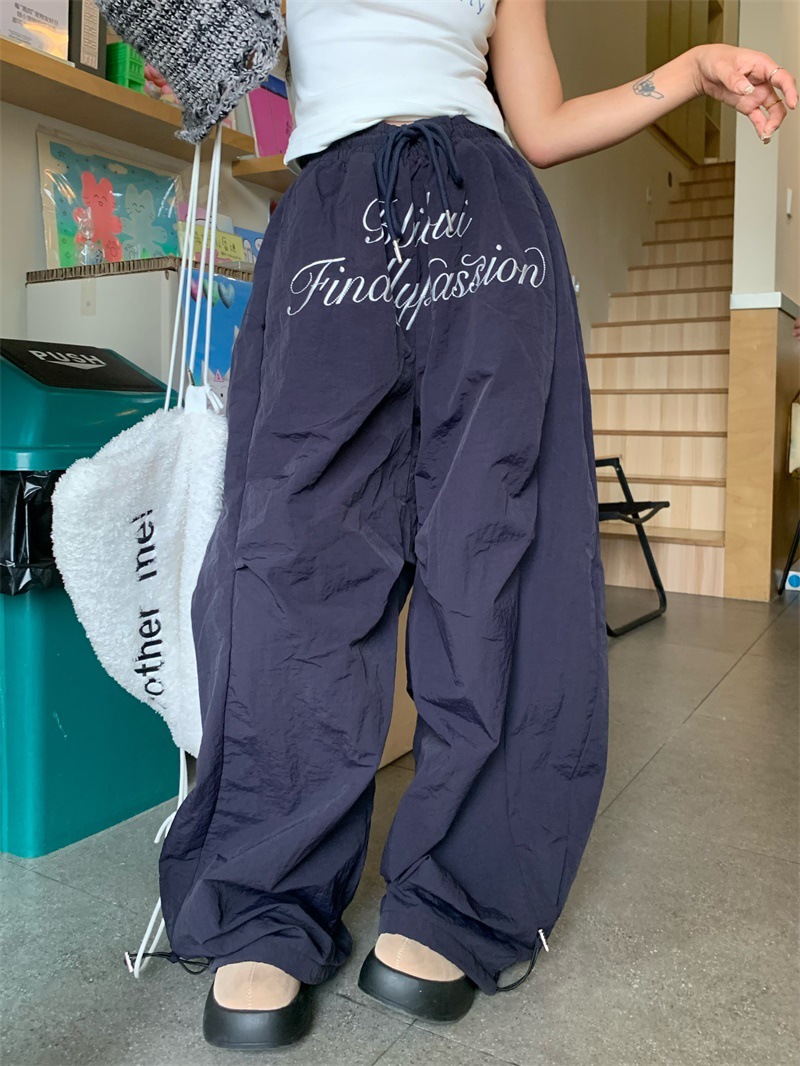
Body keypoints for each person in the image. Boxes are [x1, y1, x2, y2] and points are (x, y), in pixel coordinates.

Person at [157, 0, 797, 1051]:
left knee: (499, 553)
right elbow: (201, 52)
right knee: (290, 556)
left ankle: (455, 894)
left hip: (487, 216)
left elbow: (538, 124)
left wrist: (687, 71)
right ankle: (266, 896)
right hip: (331, 218)